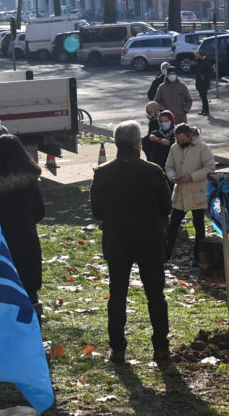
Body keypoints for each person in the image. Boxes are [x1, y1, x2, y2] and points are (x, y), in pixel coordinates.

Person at [90, 121, 173, 365]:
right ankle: (161, 348)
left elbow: (97, 211)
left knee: (117, 295)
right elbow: (166, 207)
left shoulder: (102, 172)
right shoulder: (153, 171)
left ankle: (118, 349)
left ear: (116, 143)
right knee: (156, 296)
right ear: (139, 144)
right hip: (149, 239)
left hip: (117, 239)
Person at [0, 135, 45, 318]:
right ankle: (32, 320)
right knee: (29, 286)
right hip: (26, 240)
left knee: (2, 286)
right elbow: (40, 212)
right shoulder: (29, 180)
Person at [165, 123, 215, 267]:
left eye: (182, 140)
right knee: (173, 225)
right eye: (178, 140)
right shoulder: (174, 148)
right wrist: (172, 176)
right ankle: (166, 254)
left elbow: (210, 167)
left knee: (199, 225)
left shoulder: (202, 147)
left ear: (190, 136)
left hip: (196, 192)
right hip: (180, 192)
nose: (180, 143)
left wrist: (192, 177)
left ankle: (198, 256)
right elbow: (169, 166)